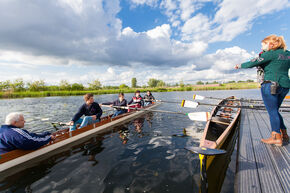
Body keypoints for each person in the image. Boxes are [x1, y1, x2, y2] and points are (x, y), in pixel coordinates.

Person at [235, 34, 290, 146]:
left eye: (263, 45)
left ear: (271, 44)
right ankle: (284, 134)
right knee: (275, 110)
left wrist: (239, 65)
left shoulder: (269, 54)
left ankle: (276, 137)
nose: (262, 48)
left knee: (272, 111)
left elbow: (253, 62)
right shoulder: (288, 54)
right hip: (285, 85)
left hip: (270, 85)